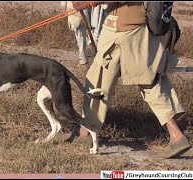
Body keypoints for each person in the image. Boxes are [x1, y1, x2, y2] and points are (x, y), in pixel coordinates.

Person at [58, 1, 192, 158]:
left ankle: (85, 133)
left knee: (99, 80)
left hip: (125, 32)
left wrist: (91, 2)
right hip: (131, 31)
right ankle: (176, 135)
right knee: (148, 83)